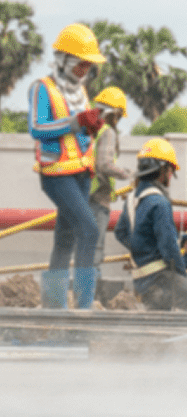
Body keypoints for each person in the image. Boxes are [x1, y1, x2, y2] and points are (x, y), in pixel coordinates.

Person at [27, 23, 106, 309]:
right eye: (81, 64)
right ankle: (83, 309)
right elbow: (37, 128)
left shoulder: (81, 93)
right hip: (57, 175)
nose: (85, 70)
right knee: (90, 229)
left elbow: (77, 133)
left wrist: (90, 129)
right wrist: (75, 123)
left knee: (65, 238)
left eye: (88, 65)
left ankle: (54, 309)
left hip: (81, 173)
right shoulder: (42, 89)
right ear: (65, 60)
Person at [114, 138, 187, 311]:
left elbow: (120, 232)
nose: (171, 177)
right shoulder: (159, 203)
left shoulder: (131, 200)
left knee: (159, 318)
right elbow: (169, 246)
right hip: (160, 277)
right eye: (171, 171)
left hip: (141, 279)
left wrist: (141, 248)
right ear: (162, 170)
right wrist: (183, 278)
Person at [88, 86, 133, 270]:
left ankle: (76, 294)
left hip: (82, 193)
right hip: (98, 197)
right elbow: (104, 165)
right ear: (115, 113)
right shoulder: (107, 131)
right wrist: (128, 174)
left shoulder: (88, 129)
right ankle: (88, 296)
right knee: (94, 250)